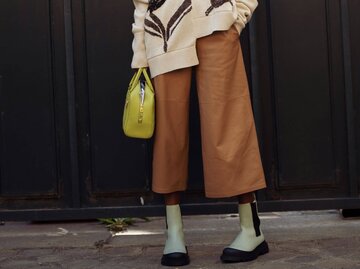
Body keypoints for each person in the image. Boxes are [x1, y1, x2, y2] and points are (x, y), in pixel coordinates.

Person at [130, 0, 269, 266]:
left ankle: (251, 229)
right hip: (164, 33)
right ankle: (174, 233)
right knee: (168, 134)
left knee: (229, 125)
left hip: (216, 26)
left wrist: (237, 15)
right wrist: (140, 55)